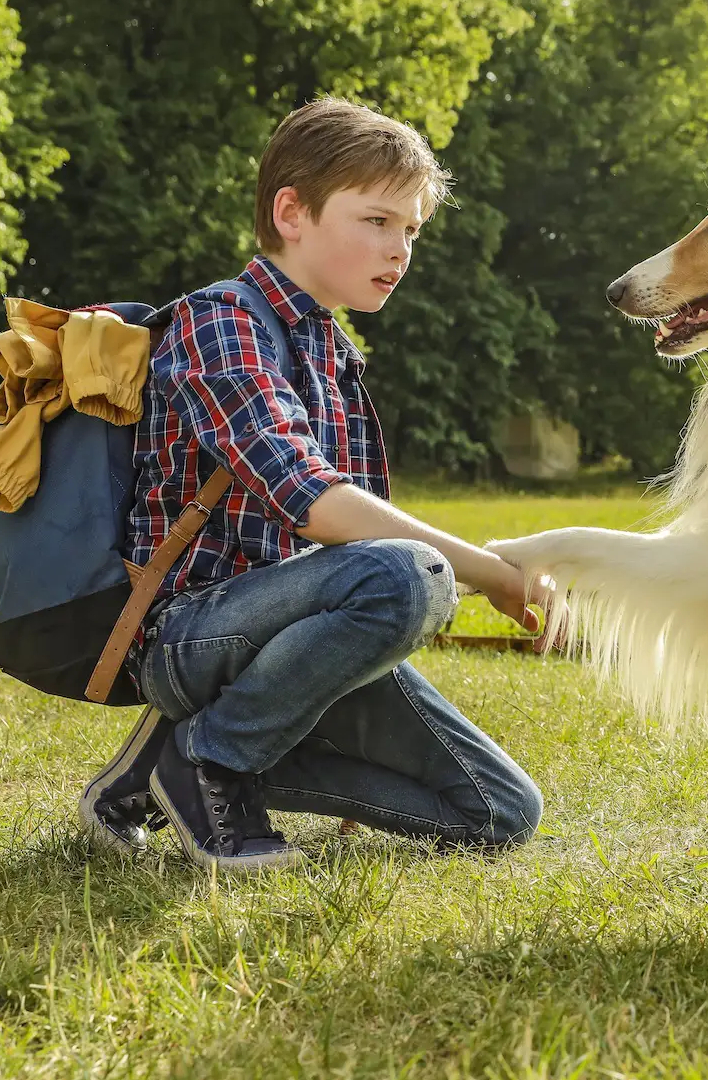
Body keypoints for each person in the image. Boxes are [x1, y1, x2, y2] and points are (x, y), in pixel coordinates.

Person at [78, 97, 546, 870]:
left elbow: (358, 548)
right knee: (412, 575)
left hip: (287, 635)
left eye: (412, 229)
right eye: (377, 221)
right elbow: (318, 504)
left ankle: (156, 773)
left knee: (500, 811)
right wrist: (491, 572)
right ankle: (210, 763)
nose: (399, 249)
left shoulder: (337, 356)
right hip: (188, 633)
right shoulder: (220, 320)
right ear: (291, 212)